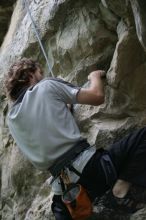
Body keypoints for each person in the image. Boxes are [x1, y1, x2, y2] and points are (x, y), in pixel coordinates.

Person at [4, 58, 146, 219]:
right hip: (94, 170)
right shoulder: (45, 86)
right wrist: (94, 77)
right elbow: (97, 96)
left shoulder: (12, 120)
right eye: (40, 73)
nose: (42, 77)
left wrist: (62, 108)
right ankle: (120, 190)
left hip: (66, 195)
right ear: (30, 75)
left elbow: (43, 127)